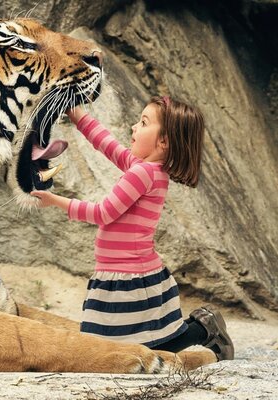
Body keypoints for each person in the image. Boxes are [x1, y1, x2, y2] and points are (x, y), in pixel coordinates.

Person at [30, 97, 234, 360]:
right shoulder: (147, 169)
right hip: (124, 273)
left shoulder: (143, 174)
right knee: (133, 350)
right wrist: (75, 112)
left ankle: (203, 329)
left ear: (164, 141)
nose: (133, 127)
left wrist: (55, 201)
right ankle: (204, 327)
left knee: (128, 353)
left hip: (129, 278)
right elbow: (107, 144)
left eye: (144, 123)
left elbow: (103, 213)